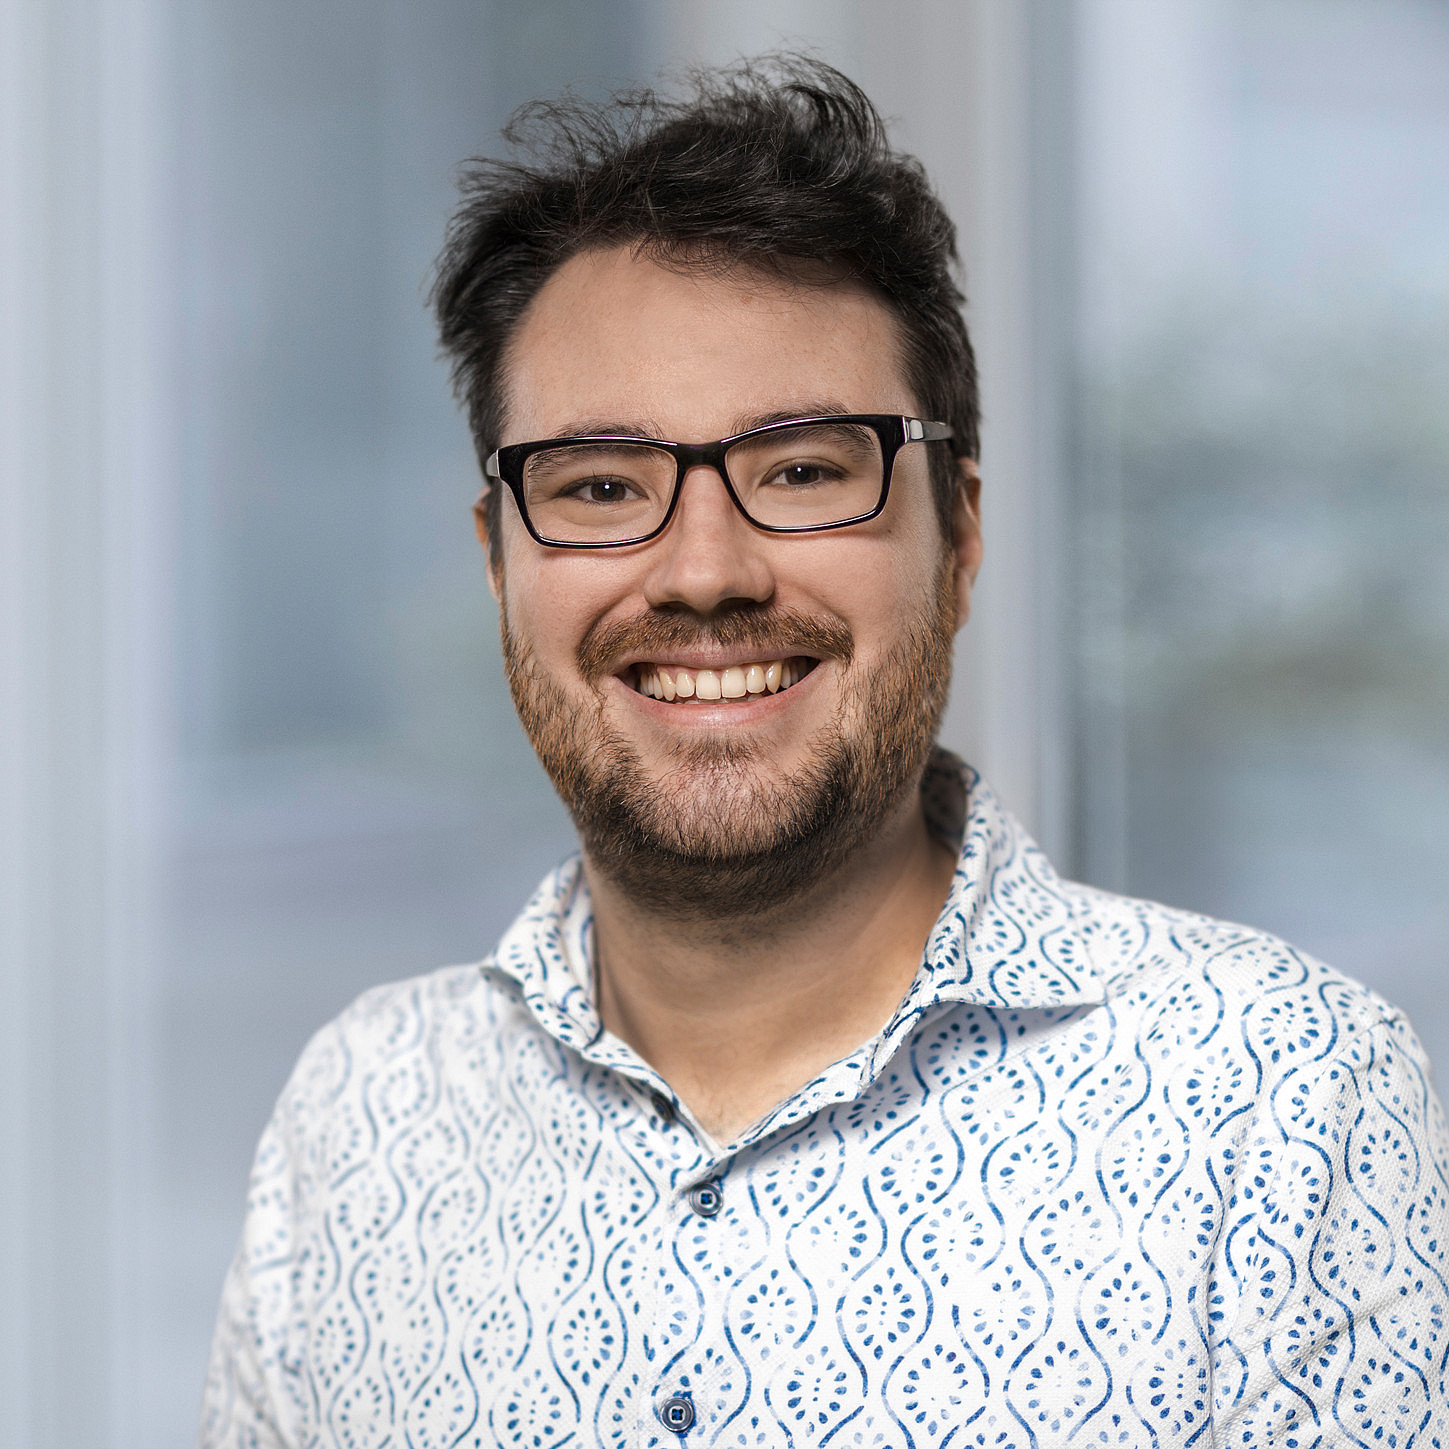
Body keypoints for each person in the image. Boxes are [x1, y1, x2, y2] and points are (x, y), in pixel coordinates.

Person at [199, 57, 1449, 1448]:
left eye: (802, 471)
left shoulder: (1278, 1101)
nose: (704, 572)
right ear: (499, 562)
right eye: (599, 486)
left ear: (958, 537)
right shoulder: (356, 1115)